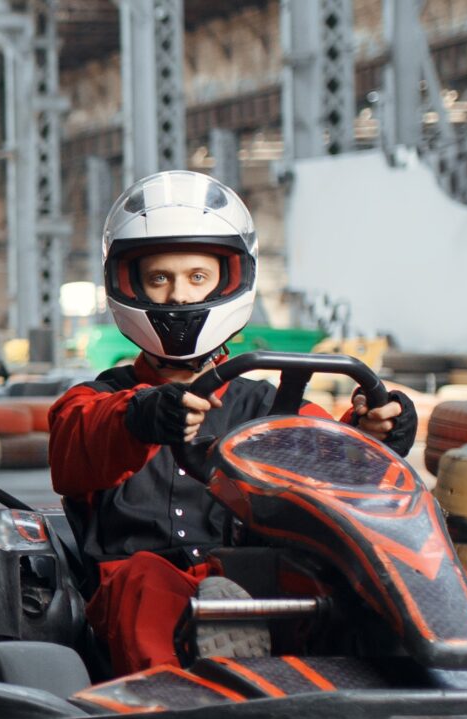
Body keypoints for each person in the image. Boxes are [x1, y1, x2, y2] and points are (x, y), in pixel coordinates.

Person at [48, 171, 420, 674]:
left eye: (196, 277)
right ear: (128, 284)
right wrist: (141, 418)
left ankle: (455, 647)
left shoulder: (267, 405)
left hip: (257, 588)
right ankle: (193, 683)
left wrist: (371, 435)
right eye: (160, 279)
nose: (178, 297)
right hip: (145, 592)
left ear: (230, 279)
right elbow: (79, 444)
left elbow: (328, 461)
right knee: (145, 581)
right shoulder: (97, 400)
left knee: (339, 570)